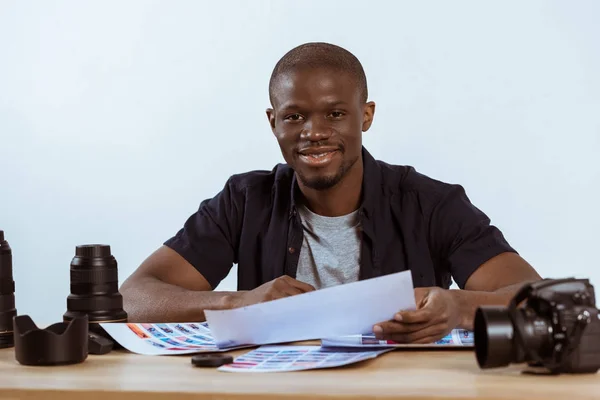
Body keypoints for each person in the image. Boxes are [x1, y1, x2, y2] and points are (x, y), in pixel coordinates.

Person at [120, 42, 541, 344]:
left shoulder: (432, 204)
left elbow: (537, 297)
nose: (314, 133)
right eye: (294, 116)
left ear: (367, 115)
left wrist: (458, 307)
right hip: (276, 390)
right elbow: (132, 296)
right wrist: (240, 303)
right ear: (273, 122)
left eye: (336, 114)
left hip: (404, 390)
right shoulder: (245, 199)